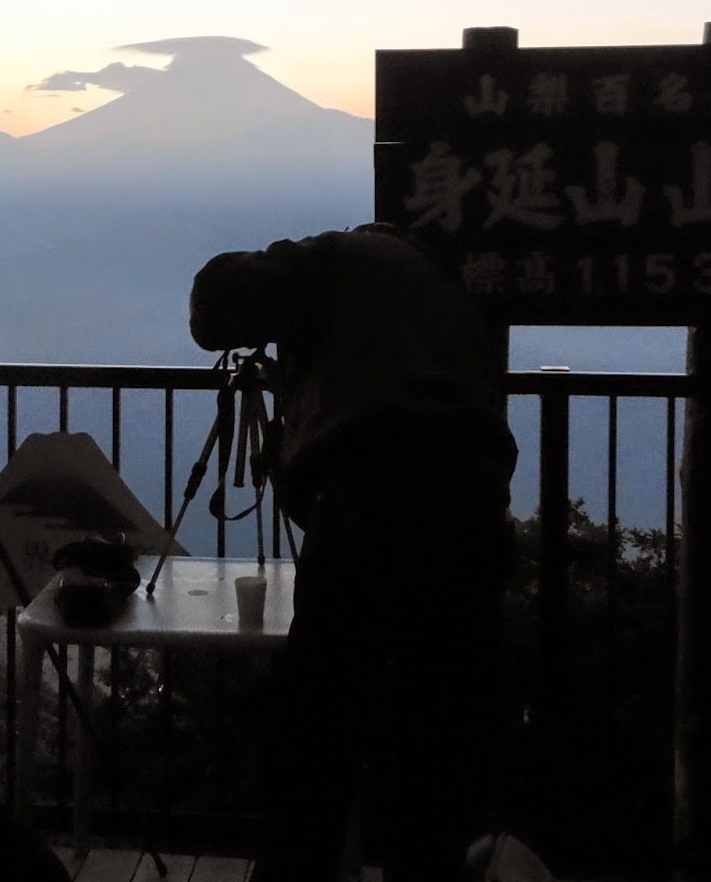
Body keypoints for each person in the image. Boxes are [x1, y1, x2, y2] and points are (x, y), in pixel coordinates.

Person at [189, 222, 518, 882]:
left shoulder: (335, 257)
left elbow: (215, 303)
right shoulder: (441, 288)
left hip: (373, 502)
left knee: (318, 730)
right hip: (474, 513)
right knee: (434, 741)